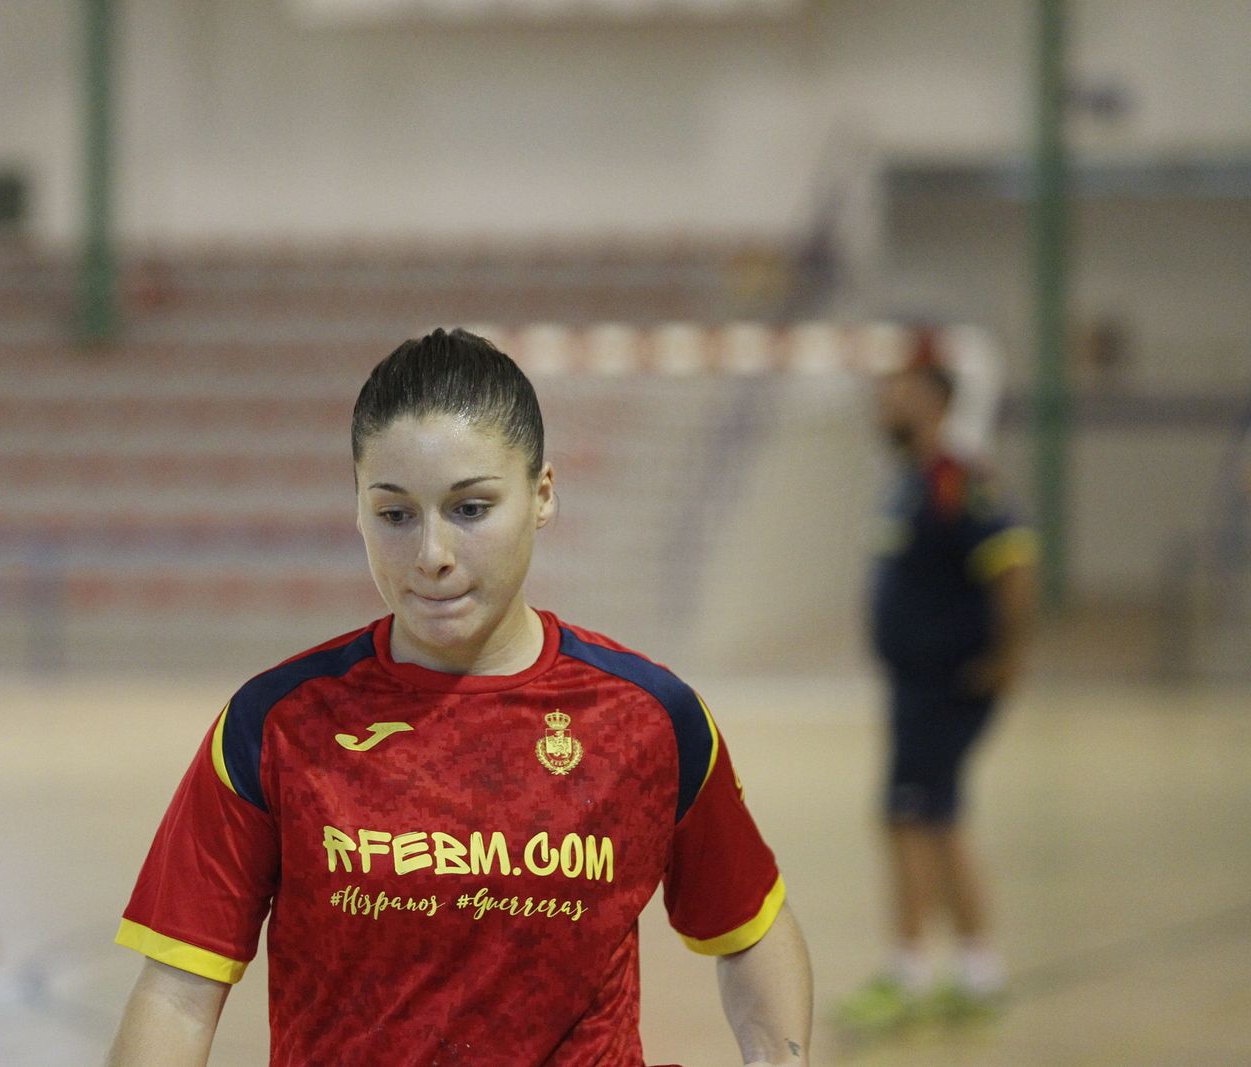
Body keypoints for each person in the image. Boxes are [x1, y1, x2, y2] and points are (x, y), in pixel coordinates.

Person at [107, 328, 813, 1067]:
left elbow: (752, 927)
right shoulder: (275, 726)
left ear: (542, 494)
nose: (432, 555)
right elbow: (177, 997)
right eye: (396, 514)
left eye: (470, 509)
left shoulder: (650, 719)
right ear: (357, 510)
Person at [836, 359, 1038, 1034]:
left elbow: (1013, 560)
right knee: (939, 817)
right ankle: (979, 968)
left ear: (936, 401)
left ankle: (908, 970)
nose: (884, 400)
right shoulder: (908, 484)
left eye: (898, 391)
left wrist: (1008, 656)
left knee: (908, 817)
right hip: (914, 686)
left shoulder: (960, 480)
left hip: (946, 685)